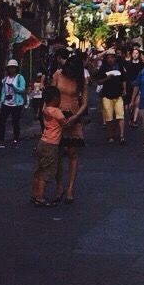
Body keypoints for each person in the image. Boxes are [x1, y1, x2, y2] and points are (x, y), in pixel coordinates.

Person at [54, 53, 88, 203]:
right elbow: (50, 95)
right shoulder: (58, 75)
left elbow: (84, 103)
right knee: (58, 154)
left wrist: (75, 117)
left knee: (73, 154)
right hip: (58, 116)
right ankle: (59, 186)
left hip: (74, 117)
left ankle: (70, 188)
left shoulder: (82, 81)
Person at [30, 85, 66, 206]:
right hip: (52, 144)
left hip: (42, 141)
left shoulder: (45, 109)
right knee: (46, 172)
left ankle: (34, 194)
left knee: (39, 170)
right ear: (55, 99)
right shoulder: (57, 112)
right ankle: (40, 197)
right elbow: (65, 123)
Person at [97, 49, 127, 144]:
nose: (110, 59)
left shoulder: (119, 67)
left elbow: (124, 79)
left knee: (120, 116)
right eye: (108, 57)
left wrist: (124, 89)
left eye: (112, 57)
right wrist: (107, 78)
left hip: (118, 95)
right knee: (109, 118)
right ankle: (111, 135)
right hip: (107, 95)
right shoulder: (103, 68)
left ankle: (122, 136)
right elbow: (99, 81)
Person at [0, 58, 27, 147]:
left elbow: (22, 89)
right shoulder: (5, 78)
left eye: (13, 67)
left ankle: (15, 140)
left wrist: (14, 87)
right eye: (10, 68)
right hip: (6, 102)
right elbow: (3, 91)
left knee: (15, 122)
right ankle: (1, 139)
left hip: (16, 104)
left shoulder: (20, 78)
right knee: (2, 121)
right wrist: (1, 101)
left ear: (16, 68)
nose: (11, 69)